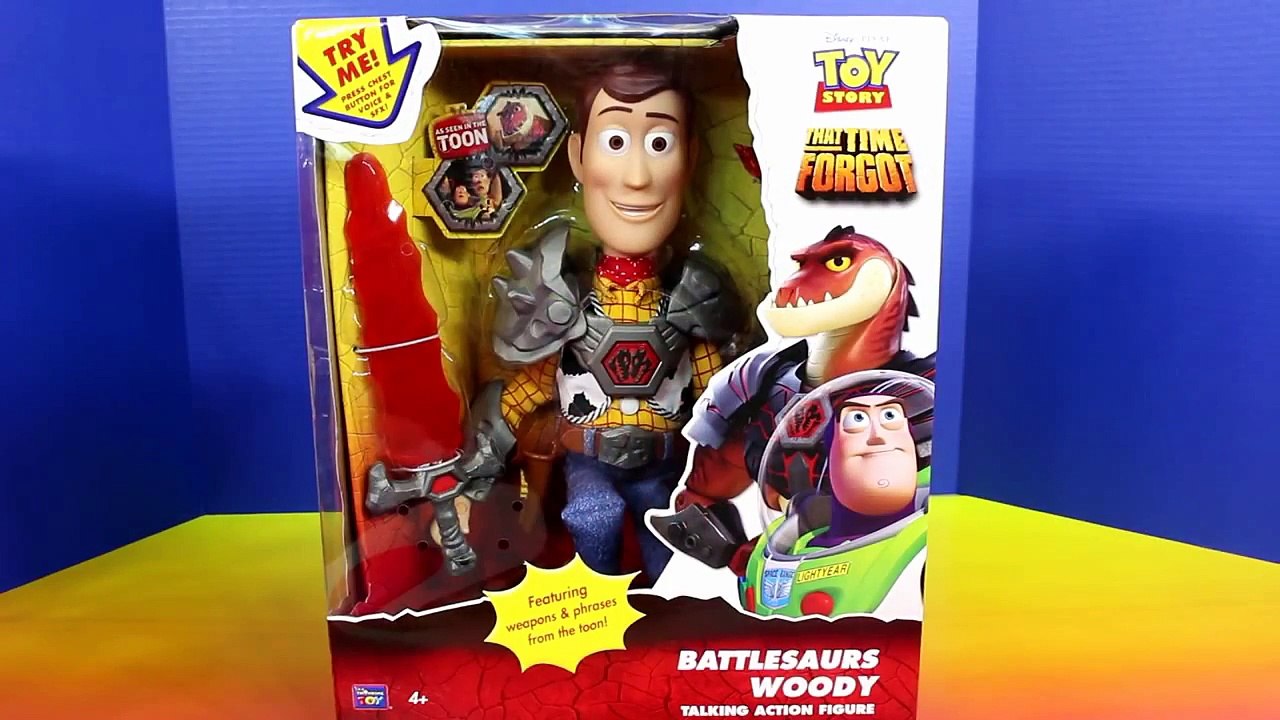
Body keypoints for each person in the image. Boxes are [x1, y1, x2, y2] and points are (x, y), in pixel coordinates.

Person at [464, 59, 737, 582]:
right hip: (588, 458)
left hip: (666, 463)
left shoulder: (691, 300)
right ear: (577, 155)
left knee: (670, 547)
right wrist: (487, 447)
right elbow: (535, 383)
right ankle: (595, 603)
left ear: (690, 158)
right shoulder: (565, 300)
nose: (637, 177)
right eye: (615, 141)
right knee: (593, 515)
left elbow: (717, 390)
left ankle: (674, 605)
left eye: (659, 143)